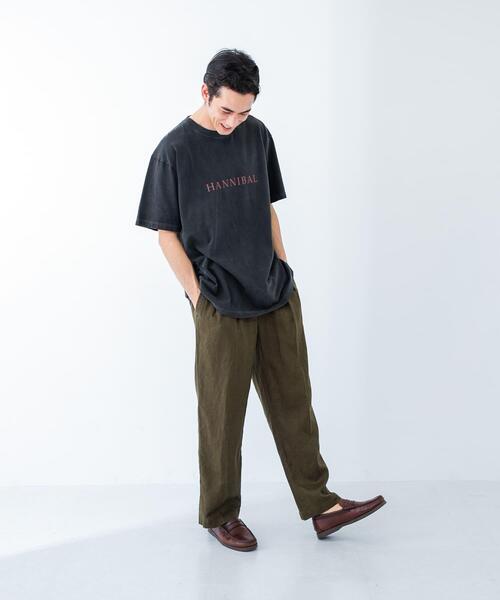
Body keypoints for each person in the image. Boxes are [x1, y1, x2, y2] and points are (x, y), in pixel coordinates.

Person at [135, 48, 386, 552]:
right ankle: (220, 514)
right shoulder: (173, 151)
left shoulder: (258, 135)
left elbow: (266, 207)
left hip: (274, 292)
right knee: (222, 415)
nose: (234, 121)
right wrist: (197, 296)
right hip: (219, 301)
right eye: (226, 110)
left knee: (295, 402)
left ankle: (321, 506)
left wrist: (283, 268)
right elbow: (165, 233)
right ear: (205, 92)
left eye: (244, 111)